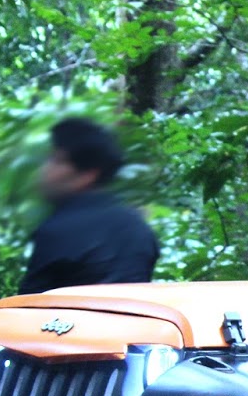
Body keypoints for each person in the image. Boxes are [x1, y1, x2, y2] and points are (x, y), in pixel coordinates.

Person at [17, 117, 159, 295]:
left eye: (57, 161)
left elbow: (27, 306)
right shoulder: (137, 225)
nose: (46, 169)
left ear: (88, 174)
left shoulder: (59, 229)